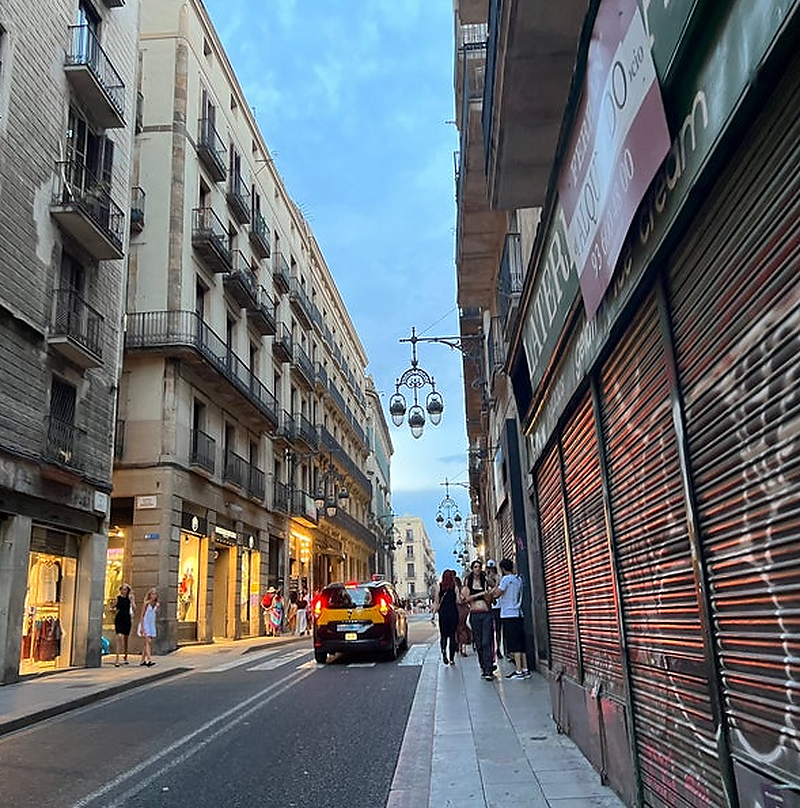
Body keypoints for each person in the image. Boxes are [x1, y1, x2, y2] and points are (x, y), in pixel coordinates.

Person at [492, 558, 530, 679]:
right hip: (518, 613)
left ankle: (518, 671)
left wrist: (496, 585)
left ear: (503, 569)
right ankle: (525, 669)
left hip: (508, 614)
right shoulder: (518, 579)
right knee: (521, 642)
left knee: (514, 643)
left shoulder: (506, 580)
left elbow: (497, 593)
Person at [461, 559, 495, 680]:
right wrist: (480, 594)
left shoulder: (484, 581)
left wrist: (490, 592)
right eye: (475, 567)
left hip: (486, 613)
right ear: (472, 568)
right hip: (475, 614)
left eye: (479, 567)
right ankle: (483, 665)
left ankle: (489, 668)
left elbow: (495, 586)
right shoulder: (468, 582)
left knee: (486, 641)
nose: (477, 569)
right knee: (479, 643)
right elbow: (466, 599)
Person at [430, 569, 459, 665]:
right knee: (452, 636)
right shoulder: (455, 586)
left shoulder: (439, 586)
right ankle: (452, 659)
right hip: (453, 613)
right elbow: (458, 600)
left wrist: (433, 615)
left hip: (443, 614)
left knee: (443, 636)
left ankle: (443, 651)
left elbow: (436, 602)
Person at [113, 583, 135, 667]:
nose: (124, 591)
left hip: (127, 619)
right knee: (119, 637)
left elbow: (134, 608)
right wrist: (113, 608)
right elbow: (113, 606)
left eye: (125, 589)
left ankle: (125, 655)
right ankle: (117, 659)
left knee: (126, 638)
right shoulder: (118, 598)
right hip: (119, 618)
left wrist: (132, 601)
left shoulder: (129, 599)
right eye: (122, 589)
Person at [486, 559, 504, 661]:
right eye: (489, 568)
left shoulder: (498, 577)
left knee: (498, 629)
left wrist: (494, 584)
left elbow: (498, 589)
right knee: (490, 630)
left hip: (498, 606)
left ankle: (498, 649)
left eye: (492, 568)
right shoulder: (485, 578)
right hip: (490, 607)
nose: (491, 570)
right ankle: (493, 649)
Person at [138, 588, 158, 667]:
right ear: (149, 595)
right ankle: (149, 659)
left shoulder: (156, 604)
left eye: (155, 594)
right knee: (148, 641)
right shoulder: (146, 603)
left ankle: (142, 660)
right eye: (152, 594)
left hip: (151, 624)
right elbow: (142, 615)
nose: (154, 596)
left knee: (146, 643)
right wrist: (142, 627)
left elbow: (155, 614)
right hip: (145, 623)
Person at [454, 575, 472, 656]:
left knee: (461, 628)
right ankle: (460, 646)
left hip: (461, 610)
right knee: (460, 628)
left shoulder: (462, 589)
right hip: (459, 610)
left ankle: (462, 648)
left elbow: (461, 600)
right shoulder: (456, 589)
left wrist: (458, 593)